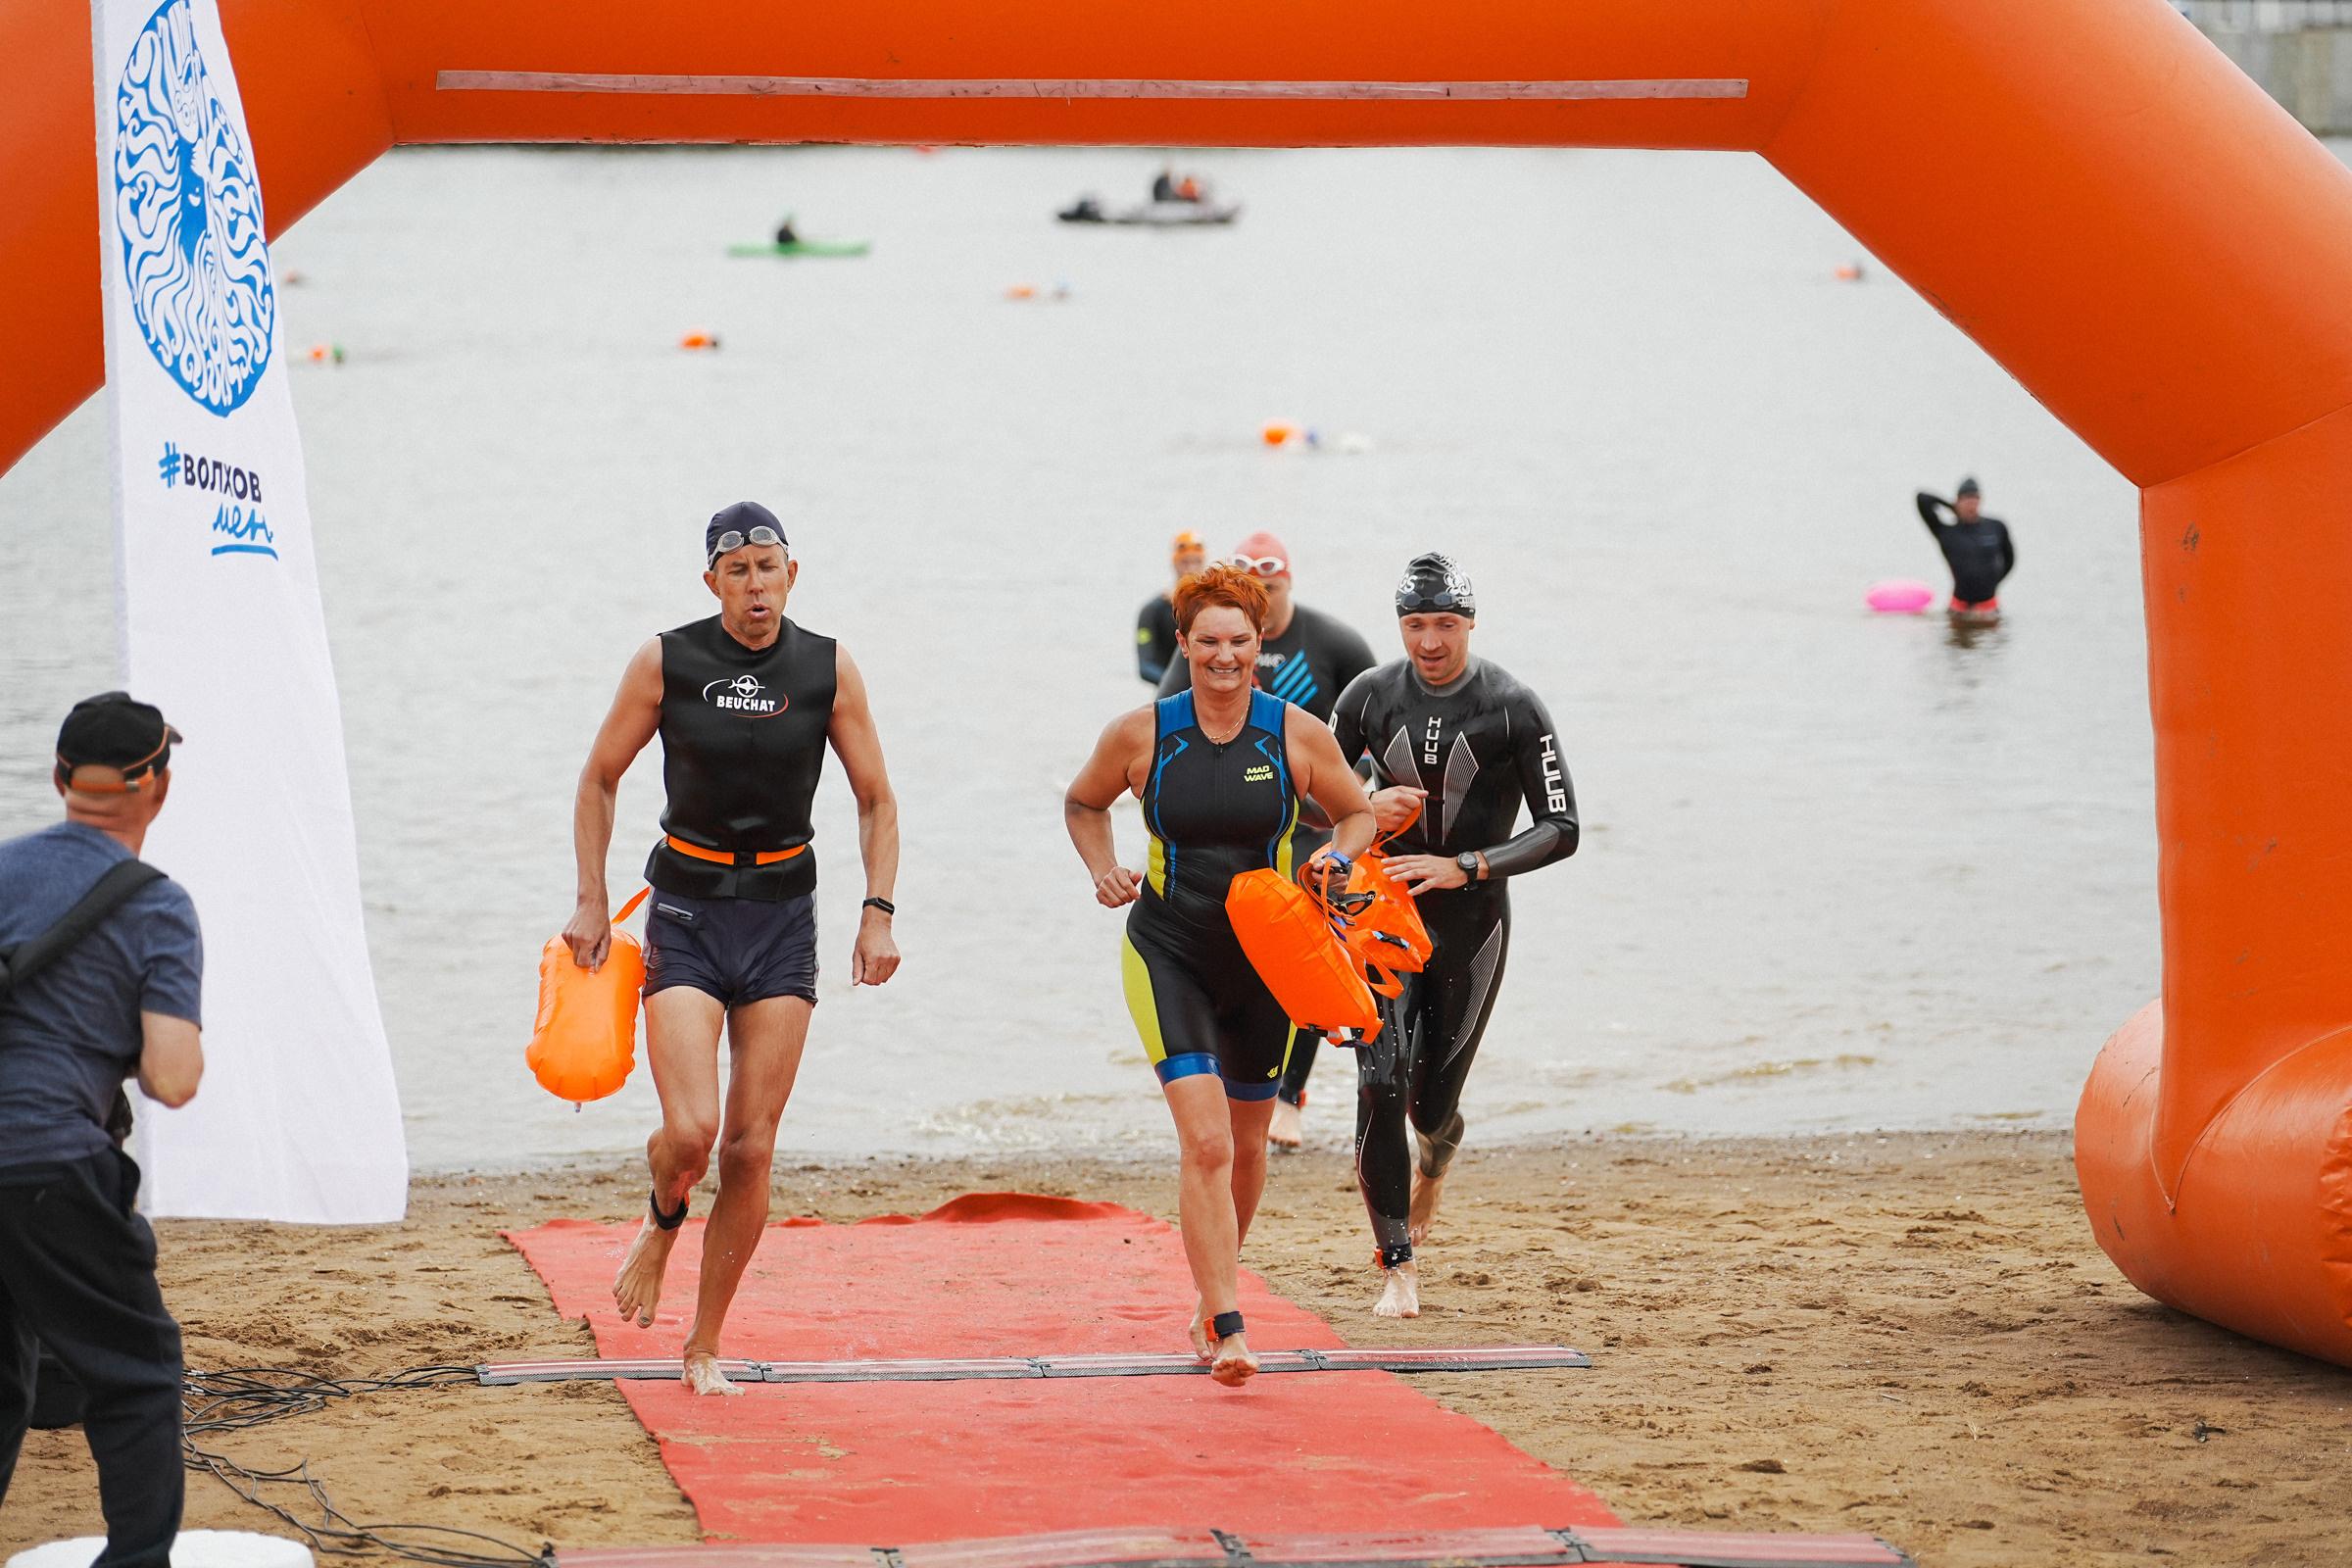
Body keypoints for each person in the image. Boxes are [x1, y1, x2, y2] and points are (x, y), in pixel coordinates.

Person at [565, 501, 902, 1396]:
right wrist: (592, 899)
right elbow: (599, 778)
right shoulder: (667, 660)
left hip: (783, 917)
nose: (756, 587)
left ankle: (703, 1344)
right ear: (712, 581)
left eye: (769, 568)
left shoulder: (827, 667)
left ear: (793, 574)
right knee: (691, 1131)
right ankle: (663, 1213)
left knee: (750, 1150)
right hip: (688, 911)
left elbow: (875, 799)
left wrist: (877, 911)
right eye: (739, 572)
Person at [1065, 564, 1375, 1385]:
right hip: (1168, 950)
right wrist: (1101, 867)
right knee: (1204, 1142)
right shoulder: (1140, 734)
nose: (1225, 656)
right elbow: (1083, 802)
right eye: (1208, 642)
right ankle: (1228, 1322)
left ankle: (1210, 1291)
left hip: (1266, 962)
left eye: (1239, 641)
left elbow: (1356, 813)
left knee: (1244, 1147)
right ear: (1184, 643)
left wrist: (1338, 860)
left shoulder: (1296, 734)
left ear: (1259, 641)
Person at [1330, 554, 1578, 1318]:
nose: (1430, 641)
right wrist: (1363, 807)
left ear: (1470, 623)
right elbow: (1310, 798)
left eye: (1445, 624)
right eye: (1415, 625)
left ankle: (1435, 1158)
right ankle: (1397, 1265)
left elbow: (1562, 828)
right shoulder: (1368, 697)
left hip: (1473, 926)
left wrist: (1464, 865)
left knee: (1428, 1108)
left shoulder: (1512, 706)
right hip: (1384, 920)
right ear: (1399, 626)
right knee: (1378, 1081)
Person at [0, 693, 204, 1568]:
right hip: (50, 1164)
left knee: (4, 1379)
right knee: (138, 1372)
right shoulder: (158, 909)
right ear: (158, 785)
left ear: (59, 779)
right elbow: (173, 1079)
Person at [1157, 532, 1378, 1147]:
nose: (1227, 653)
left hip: (1313, 815)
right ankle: (1220, 1079)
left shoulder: (1334, 642)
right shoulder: (1211, 643)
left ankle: (1288, 1094)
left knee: (1303, 939)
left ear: (1287, 586)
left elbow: (1376, 726)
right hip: (1245, 810)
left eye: (1273, 588)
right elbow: (1164, 722)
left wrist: (1349, 797)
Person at [1916, 478, 2015, 619]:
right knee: (1954, 632)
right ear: (1958, 501)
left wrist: (1992, 581)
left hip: (1989, 608)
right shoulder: (1946, 532)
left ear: (1980, 501)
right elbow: (1922, 499)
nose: (1971, 504)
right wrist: (1951, 506)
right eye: (1966, 500)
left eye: (1974, 499)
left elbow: (2010, 559)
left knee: (1993, 633)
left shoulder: (1996, 527)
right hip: (1958, 609)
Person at [1136, 530, 1209, 683]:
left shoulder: (1217, 606)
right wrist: (1179, 686)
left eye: (1196, 562)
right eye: (1185, 563)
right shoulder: (1154, 611)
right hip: (1172, 692)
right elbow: (1145, 667)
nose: (1191, 569)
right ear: (1174, 564)